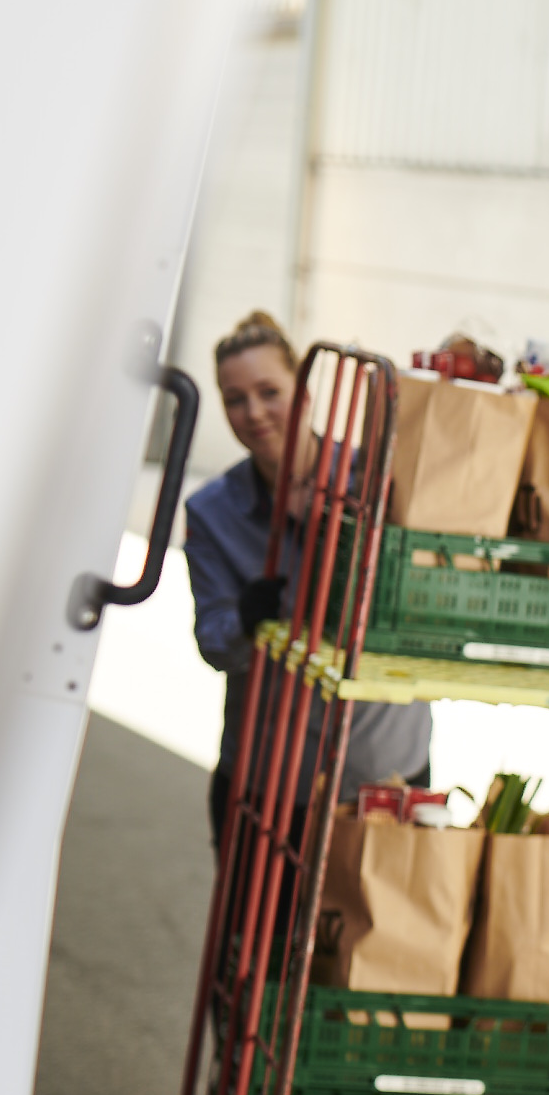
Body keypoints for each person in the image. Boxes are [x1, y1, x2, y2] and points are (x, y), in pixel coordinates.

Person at [185, 310, 432, 844]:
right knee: (254, 930)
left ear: (304, 389)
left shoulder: (379, 481)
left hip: (382, 773)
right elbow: (214, 642)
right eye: (234, 399)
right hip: (270, 780)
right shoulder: (212, 512)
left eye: (269, 391)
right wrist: (248, 620)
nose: (253, 412)